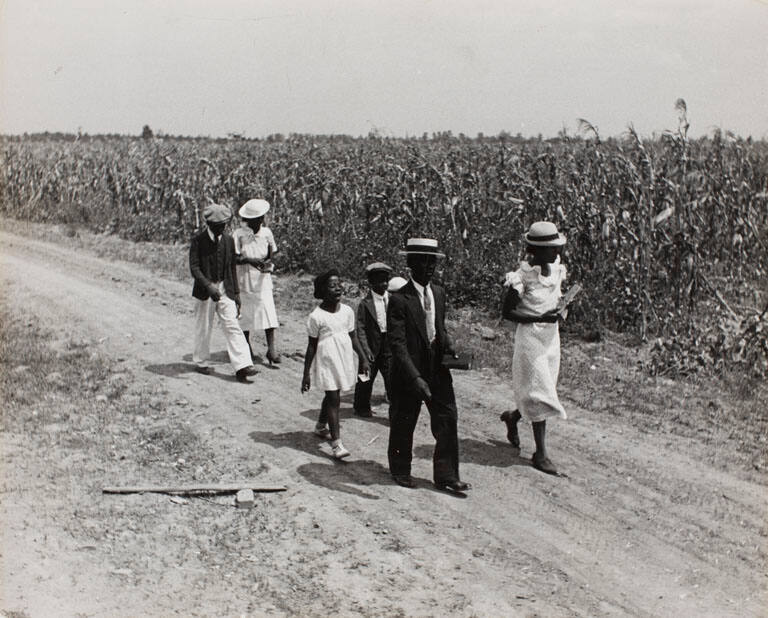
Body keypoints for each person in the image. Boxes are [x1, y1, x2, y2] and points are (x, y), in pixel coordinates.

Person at [387, 238, 470, 494]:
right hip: (409, 370)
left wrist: (449, 348)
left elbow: (438, 328)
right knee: (405, 419)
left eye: (432, 261)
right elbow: (397, 344)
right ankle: (400, 469)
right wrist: (414, 378)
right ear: (411, 264)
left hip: (436, 367)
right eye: (423, 261)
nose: (429, 266)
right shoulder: (400, 300)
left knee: (447, 418)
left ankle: (446, 475)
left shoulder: (439, 293)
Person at [500, 221, 568, 475]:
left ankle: (513, 416)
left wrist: (561, 311)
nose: (556, 251)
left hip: (551, 338)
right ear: (536, 251)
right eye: (551, 248)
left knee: (544, 388)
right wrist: (539, 318)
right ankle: (540, 453)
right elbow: (508, 312)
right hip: (530, 338)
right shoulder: (522, 277)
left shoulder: (557, 269)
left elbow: (557, 299)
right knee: (540, 392)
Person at [301, 269, 369, 459]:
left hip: (343, 359)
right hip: (326, 361)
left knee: (334, 393)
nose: (338, 288)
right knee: (333, 397)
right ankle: (337, 444)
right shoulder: (316, 316)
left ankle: (321, 426)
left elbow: (353, 337)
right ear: (323, 290)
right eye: (332, 286)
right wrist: (306, 373)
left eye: (339, 284)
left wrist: (363, 358)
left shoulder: (347, 311)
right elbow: (311, 347)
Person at [189, 203, 259, 383]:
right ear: (209, 224)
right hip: (205, 291)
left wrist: (236, 294)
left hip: (224, 288)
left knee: (232, 324)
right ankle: (201, 361)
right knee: (203, 326)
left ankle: (243, 365)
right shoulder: (198, 240)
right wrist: (208, 286)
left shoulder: (228, 240)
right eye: (219, 225)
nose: (223, 228)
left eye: (225, 225)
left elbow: (230, 268)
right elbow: (194, 268)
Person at [233, 198, 281, 366]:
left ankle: (272, 349)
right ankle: (247, 347)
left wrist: (267, 263)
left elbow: (271, 252)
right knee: (245, 314)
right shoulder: (239, 234)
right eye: (253, 219)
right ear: (247, 220)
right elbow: (235, 257)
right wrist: (250, 260)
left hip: (262, 278)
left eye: (260, 218)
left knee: (268, 311)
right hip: (245, 278)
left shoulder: (267, 233)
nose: (258, 221)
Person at [353, 262, 393, 418]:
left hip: (388, 345)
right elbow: (361, 328)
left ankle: (394, 411)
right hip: (371, 345)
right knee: (366, 377)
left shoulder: (392, 299)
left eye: (385, 280)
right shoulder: (365, 304)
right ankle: (361, 407)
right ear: (371, 283)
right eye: (379, 281)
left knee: (391, 378)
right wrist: (365, 349)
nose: (383, 284)